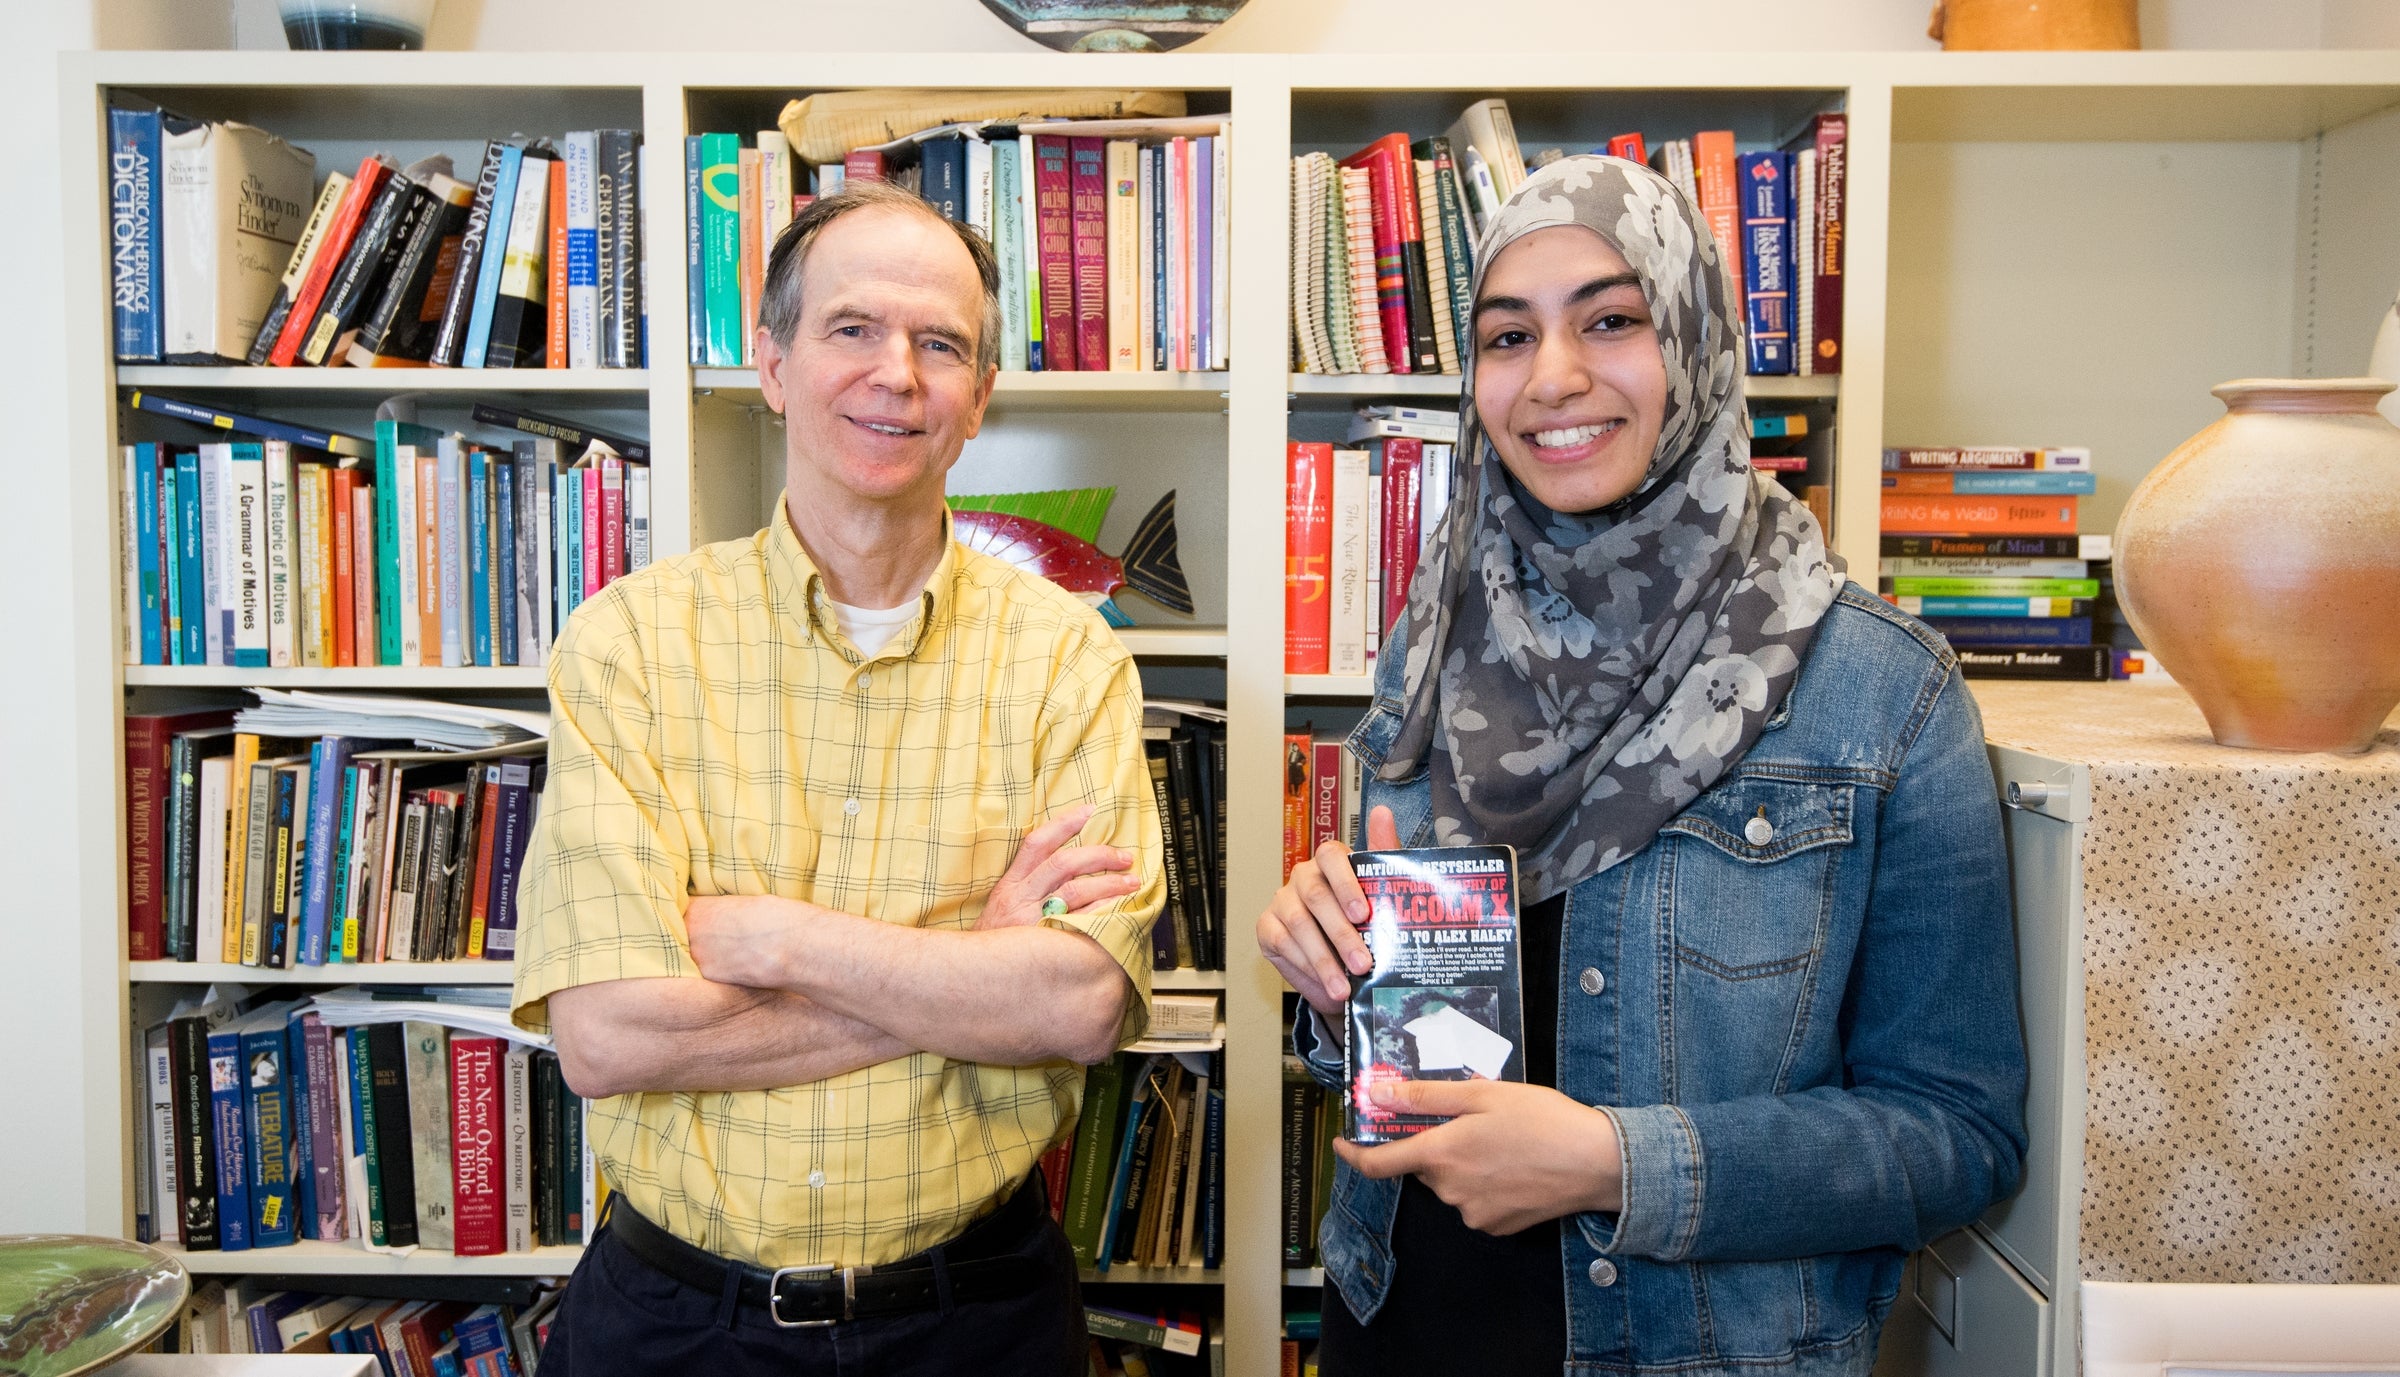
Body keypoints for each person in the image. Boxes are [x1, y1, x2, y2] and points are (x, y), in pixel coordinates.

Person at [1258, 154, 2028, 1376]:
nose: (1553, 377)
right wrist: (1335, 982)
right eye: (1508, 336)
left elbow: (1955, 1136)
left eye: (1611, 320)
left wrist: (1614, 1164)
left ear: (1697, 336)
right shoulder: (1436, 644)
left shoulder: (1882, 690)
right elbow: (1416, 1039)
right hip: (1401, 1322)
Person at [512, 180, 1165, 1376]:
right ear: (772, 365)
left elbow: (1071, 1009)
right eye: (852, 329)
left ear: (979, 401)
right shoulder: (630, 644)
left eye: (941, 344)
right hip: (675, 1326)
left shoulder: (1069, 656)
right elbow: (607, 1037)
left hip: (977, 1321)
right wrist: (968, 962)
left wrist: (772, 940)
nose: (897, 374)